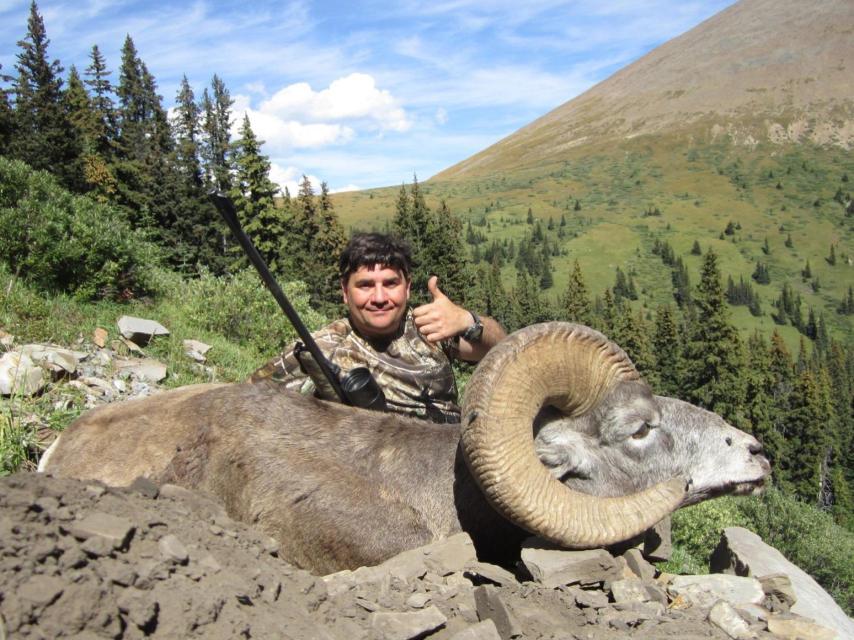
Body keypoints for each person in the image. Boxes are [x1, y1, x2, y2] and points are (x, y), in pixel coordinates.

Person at [251, 232, 506, 422]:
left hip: (448, 462)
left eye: (391, 283)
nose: (380, 297)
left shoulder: (430, 328)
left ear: (407, 287)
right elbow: (247, 402)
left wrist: (469, 321)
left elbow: (502, 350)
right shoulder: (318, 349)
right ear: (344, 291)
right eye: (365, 285)